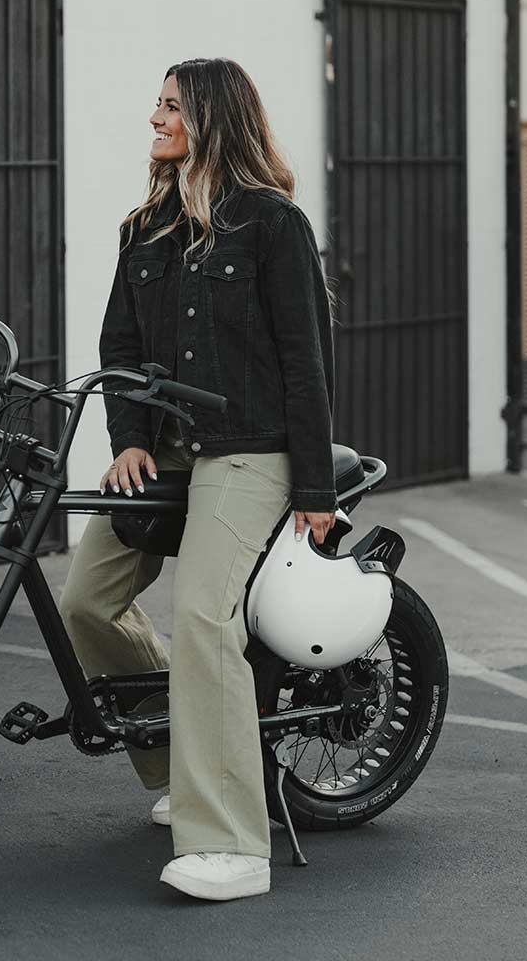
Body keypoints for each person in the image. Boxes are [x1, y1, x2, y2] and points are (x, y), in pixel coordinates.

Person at [58, 57, 336, 900]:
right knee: (86, 601)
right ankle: (177, 765)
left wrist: (315, 492)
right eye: (157, 103)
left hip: (250, 447)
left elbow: (305, 361)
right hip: (168, 448)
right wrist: (129, 438)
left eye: (172, 105)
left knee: (204, 616)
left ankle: (231, 844)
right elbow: (120, 349)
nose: (156, 117)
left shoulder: (271, 224)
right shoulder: (144, 228)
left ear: (211, 118)